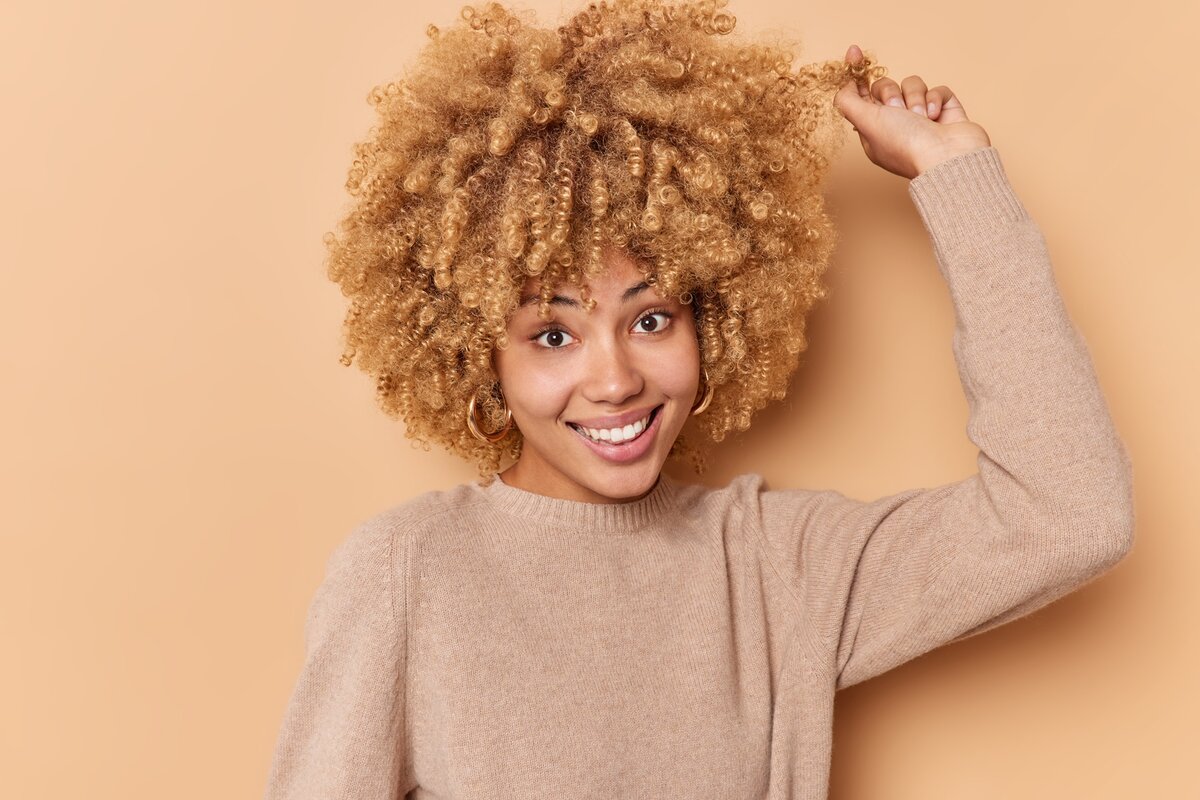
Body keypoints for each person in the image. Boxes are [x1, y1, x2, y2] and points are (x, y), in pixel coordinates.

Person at [263, 1, 1136, 797]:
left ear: (713, 323)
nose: (613, 381)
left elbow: (1067, 516)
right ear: (477, 352)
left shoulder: (775, 568)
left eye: (651, 319)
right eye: (553, 334)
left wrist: (957, 181)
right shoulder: (406, 574)